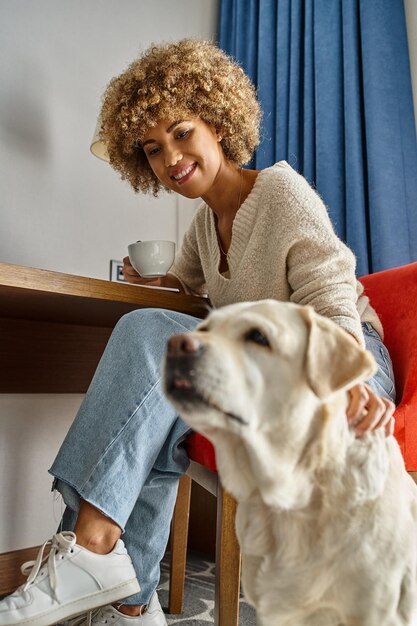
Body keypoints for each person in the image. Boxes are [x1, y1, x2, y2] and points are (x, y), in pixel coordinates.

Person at [0, 39, 396, 626]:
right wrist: (152, 281)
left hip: (343, 358)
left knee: (153, 341)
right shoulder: (206, 226)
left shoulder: (281, 194)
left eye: (182, 132)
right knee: (161, 399)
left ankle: (93, 554)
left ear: (218, 121)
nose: (171, 157)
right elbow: (188, 292)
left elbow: (333, 302)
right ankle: (129, 602)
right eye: (153, 149)